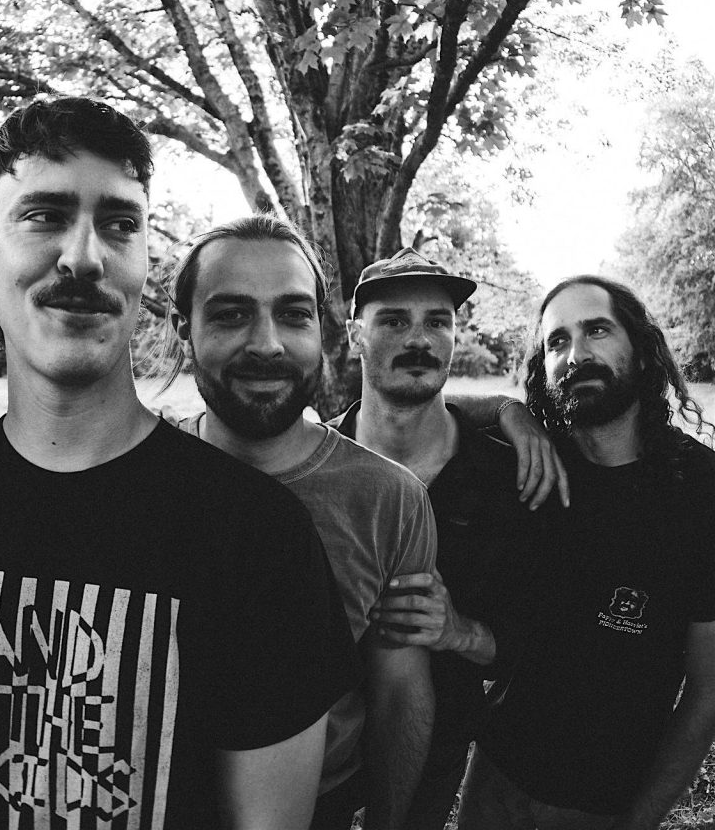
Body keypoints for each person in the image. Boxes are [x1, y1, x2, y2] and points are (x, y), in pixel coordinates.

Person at [0, 97, 359, 830]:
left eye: (120, 223)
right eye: (44, 216)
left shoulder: (260, 536)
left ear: (143, 262)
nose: (84, 257)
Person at [162, 215, 438, 830]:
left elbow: (398, 690)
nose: (267, 344)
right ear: (185, 329)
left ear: (322, 330)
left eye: (293, 314)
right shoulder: (136, 478)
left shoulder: (388, 499)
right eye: (231, 314)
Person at [458, 275, 715, 829]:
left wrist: (638, 821)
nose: (576, 355)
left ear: (641, 351)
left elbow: (707, 691)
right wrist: (507, 411)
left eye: (597, 330)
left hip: (601, 803)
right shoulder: (533, 466)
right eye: (557, 341)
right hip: (495, 779)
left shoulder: (700, 491)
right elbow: (423, 404)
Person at [326, 247, 543, 830]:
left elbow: (533, 644)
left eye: (437, 322)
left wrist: (458, 630)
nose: (419, 339)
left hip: (436, 747)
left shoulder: (508, 479)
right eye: (394, 320)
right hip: (312, 753)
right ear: (355, 335)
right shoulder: (316, 467)